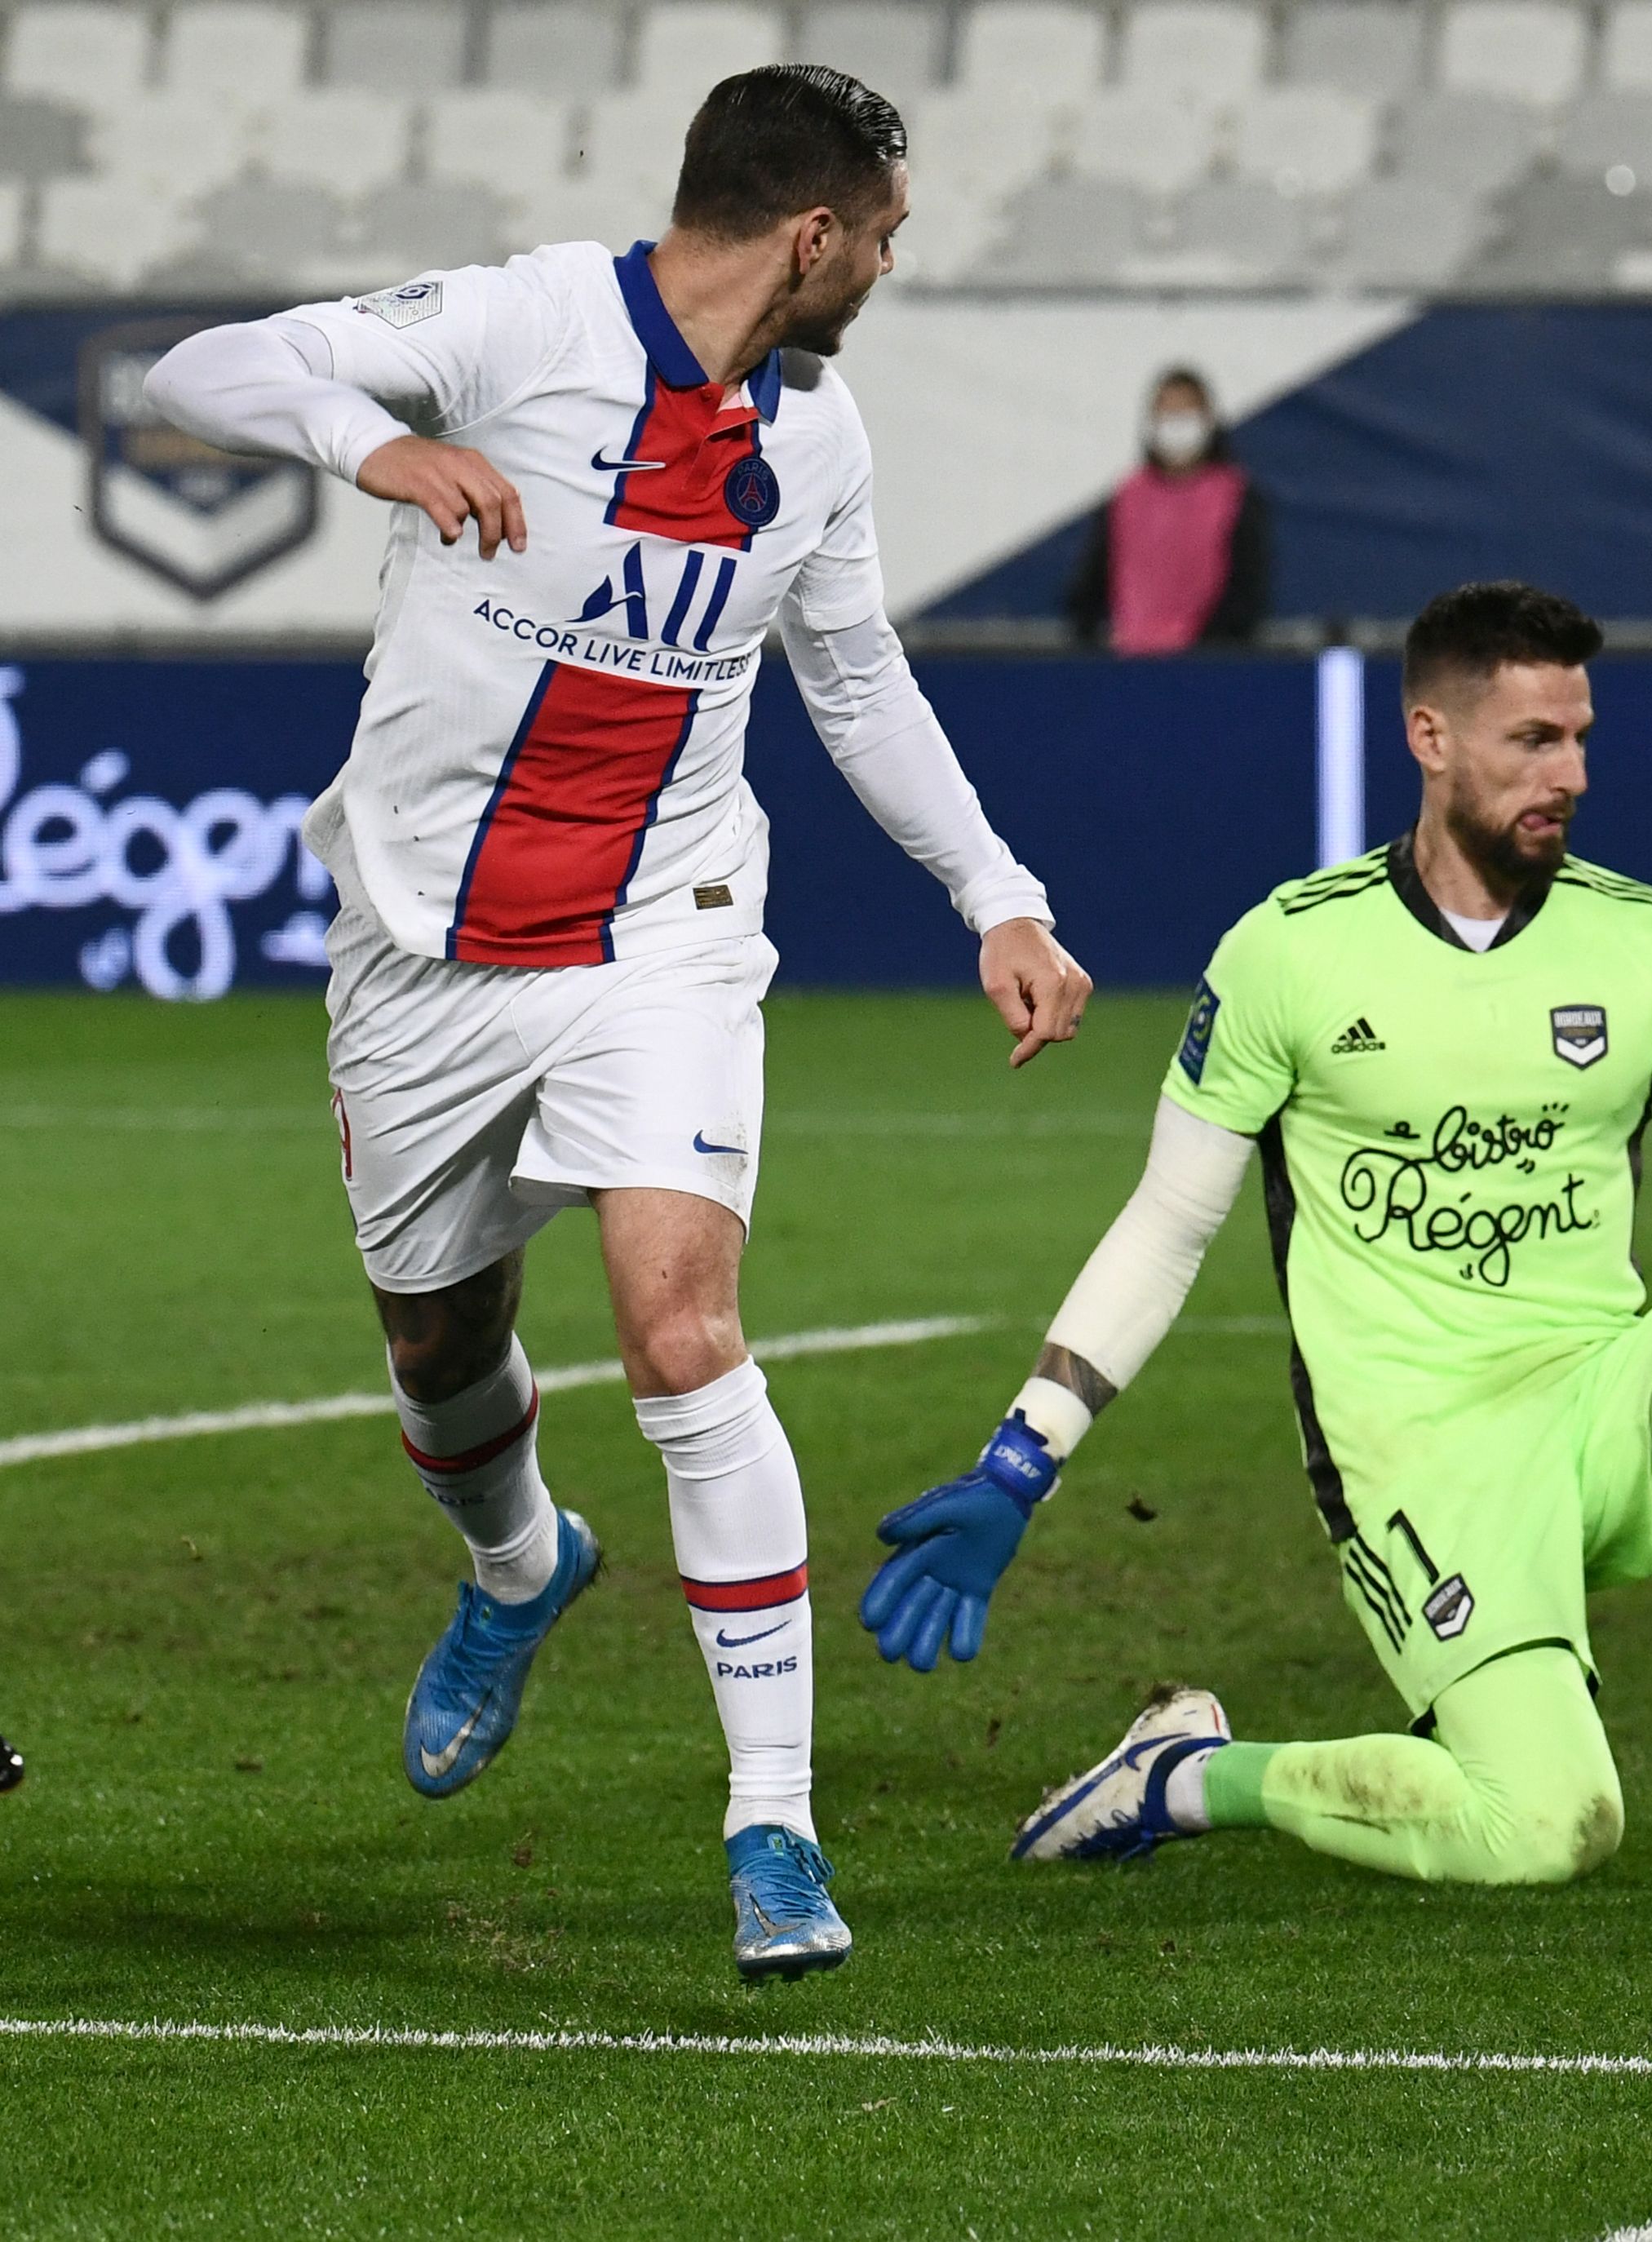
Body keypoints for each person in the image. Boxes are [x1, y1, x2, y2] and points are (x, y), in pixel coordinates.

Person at [145, 64, 1092, 1979]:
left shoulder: (813, 440)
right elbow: (190, 375)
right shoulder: (522, 326)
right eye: (886, 236)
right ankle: (519, 1563)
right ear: (812, 231)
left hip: (664, 929)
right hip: (424, 944)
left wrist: (996, 891)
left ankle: (773, 1829)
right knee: (435, 1338)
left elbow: (855, 678)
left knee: (683, 1324)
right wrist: (372, 445)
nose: (886, 271)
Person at [856, 581, 1652, 1892]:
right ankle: (1184, 1778)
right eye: (1532, 740)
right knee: (1544, 1831)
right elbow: (1165, 1230)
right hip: (1422, 1459)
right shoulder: (1288, 954)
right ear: (1430, 738)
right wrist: (1020, 1461)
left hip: (1603, 1409)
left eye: (1580, 738)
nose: (1570, 773)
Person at [1062, 366, 1273, 654]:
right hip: (1129, 661)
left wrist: (1207, 648)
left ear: (1208, 419)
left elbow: (1246, 590)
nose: (1176, 423)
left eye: (1186, 412)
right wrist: (1095, 642)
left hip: (1206, 665)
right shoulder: (1127, 496)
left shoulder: (1236, 497)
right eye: (1167, 412)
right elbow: (1092, 583)